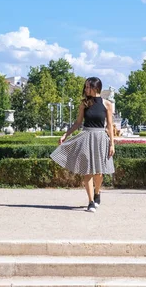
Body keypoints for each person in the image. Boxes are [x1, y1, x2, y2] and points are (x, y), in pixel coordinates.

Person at [50, 77, 115, 212]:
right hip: (86, 137)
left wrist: (112, 144)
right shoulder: (84, 104)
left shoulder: (107, 104)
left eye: (88, 87)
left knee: (99, 173)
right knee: (87, 171)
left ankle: (97, 192)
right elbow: (78, 123)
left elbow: (109, 126)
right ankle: (90, 201)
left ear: (96, 88)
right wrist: (65, 134)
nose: (86, 89)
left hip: (101, 138)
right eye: (85, 87)